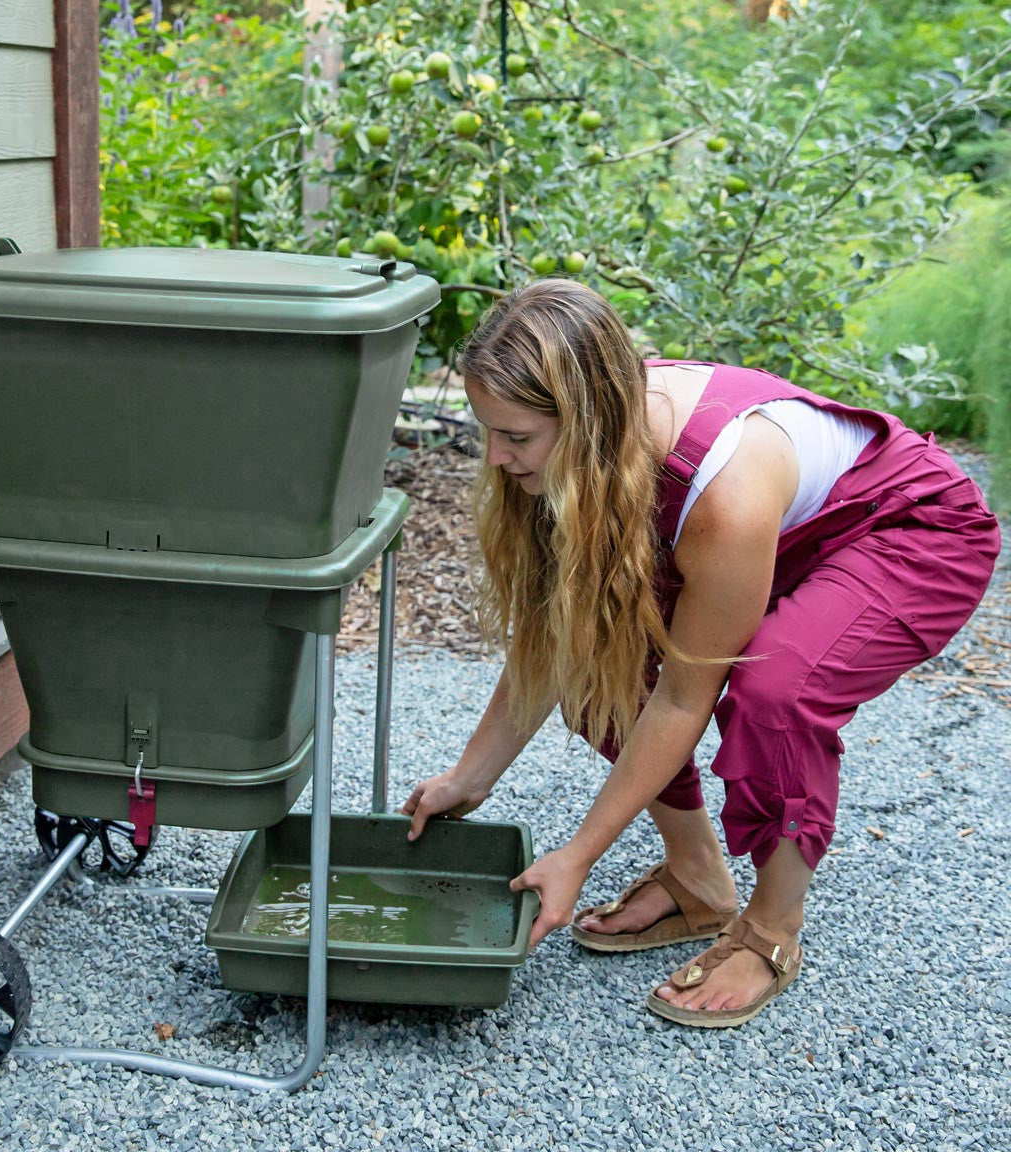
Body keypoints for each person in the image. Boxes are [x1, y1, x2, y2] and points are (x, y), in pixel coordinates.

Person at [401, 279, 1001, 1028]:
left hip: (906, 533)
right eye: (488, 431)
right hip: (772, 539)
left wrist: (579, 854)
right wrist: (469, 776)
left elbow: (687, 696)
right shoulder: (592, 460)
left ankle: (772, 928)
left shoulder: (723, 489)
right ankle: (697, 881)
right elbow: (554, 640)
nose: (494, 459)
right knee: (602, 669)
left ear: (588, 422)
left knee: (777, 690)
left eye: (516, 438)